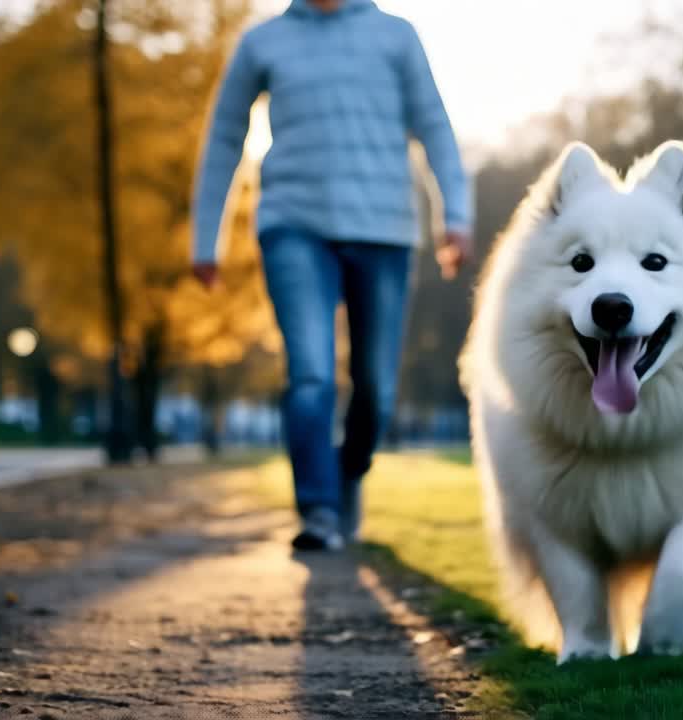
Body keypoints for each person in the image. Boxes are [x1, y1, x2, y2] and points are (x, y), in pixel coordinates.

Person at [191, 0, 473, 551]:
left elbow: (435, 126)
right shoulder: (262, 42)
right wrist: (207, 238)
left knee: (376, 388)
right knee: (312, 374)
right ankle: (317, 509)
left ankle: (347, 473)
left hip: (385, 229)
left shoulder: (396, 36)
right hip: (294, 227)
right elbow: (225, 137)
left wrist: (455, 216)